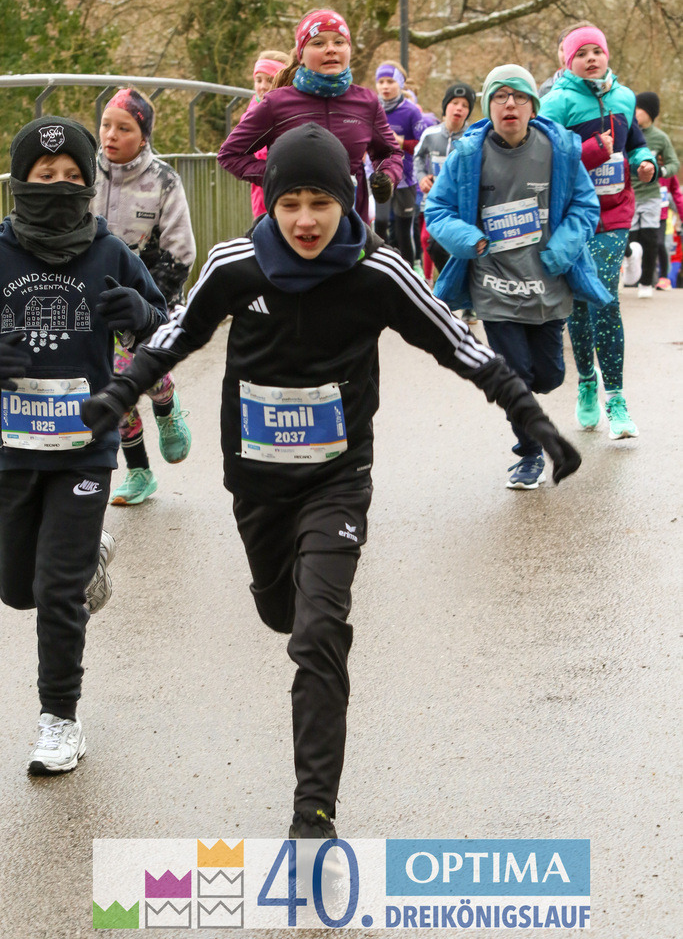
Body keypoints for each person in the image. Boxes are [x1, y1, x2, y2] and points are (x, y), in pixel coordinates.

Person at [82, 123, 581, 836]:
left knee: (318, 633)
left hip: (337, 479)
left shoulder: (374, 273)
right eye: (290, 204)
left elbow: (454, 341)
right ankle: (280, 598)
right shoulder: (235, 265)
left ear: (344, 204)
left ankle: (312, 811)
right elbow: (176, 333)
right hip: (256, 481)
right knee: (279, 614)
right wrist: (119, 392)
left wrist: (527, 415)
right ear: (270, 205)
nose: (306, 220)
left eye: (320, 203)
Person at [0, 116, 167, 773]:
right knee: (17, 588)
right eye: (46, 179)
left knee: (56, 589)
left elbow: (163, 326)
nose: (61, 187)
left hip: (85, 450)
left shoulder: (109, 251)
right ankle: (89, 561)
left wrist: (142, 315)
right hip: (10, 449)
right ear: (20, 183)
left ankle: (59, 720)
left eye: (73, 177)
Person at [425, 65, 607, 489]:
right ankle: (528, 455)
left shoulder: (559, 148)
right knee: (516, 376)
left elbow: (585, 206)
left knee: (549, 376)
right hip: (494, 284)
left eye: (520, 96)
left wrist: (561, 249)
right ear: (488, 105)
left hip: (548, 279)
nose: (510, 104)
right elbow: (437, 210)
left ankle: (530, 416)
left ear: (533, 105)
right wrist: (472, 240)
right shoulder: (469, 154)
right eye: (501, 96)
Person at [540, 25, 656, 439]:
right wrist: (592, 151)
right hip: (574, 216)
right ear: (566, 62)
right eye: (581, 53)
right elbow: (546, 159)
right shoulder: (556, 103)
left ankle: (618, 400)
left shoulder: (624, 98)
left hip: (616, 213)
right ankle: (587, 381)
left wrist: (645, 163)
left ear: (607, 55)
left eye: (597, 51)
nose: (591, 58)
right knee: (579, 302)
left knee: (603, 296)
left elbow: (636, 141)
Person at [92, 88, 195, 505]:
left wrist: (148, 301)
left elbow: (181, 250)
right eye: (105, 124)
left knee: (138, 369)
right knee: (112, 379)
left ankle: (167, 406)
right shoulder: (84, 172)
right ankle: (138, 472)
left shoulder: (163, 180)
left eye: (124, 127)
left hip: (150, 296)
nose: (110, 135)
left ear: (144, 135)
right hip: (96, 299)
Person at [216, 9, 404, 223]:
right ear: (300, 54)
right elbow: (230, 155)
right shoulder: (276, 103)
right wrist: (278, 174)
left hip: (350, 227)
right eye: (318, 43)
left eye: (339, 42)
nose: (331, 49)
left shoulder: (366, 102)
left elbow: (389, 153)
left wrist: (387, 177)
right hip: (292, 227)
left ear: (349, 49)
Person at [414, 81, 476, 304]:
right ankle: (435, 285)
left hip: (461, 207)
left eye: (464, 105)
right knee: (428, 240)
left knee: (458, 247)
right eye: (454, 103)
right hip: (434, 202)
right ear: (445, 107)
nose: (459, 108)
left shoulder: (473, 138)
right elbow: (418, 158)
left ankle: (465, 296)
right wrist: (421, 177)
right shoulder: (430, 135)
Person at [373, 60, 430, 267]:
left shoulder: (411, 111)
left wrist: (402, 142)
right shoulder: (372, 107)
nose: (385, 86)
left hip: (405, 177)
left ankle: (409, 273)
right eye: (381, 82)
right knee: (379, 225)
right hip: (378, 175)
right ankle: (378, 270)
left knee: (403, 230)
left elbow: (424, 147)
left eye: (390, 81)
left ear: (400, 84)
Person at [629, 91, 680, 295]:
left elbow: (673, 163)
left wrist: (661, 171)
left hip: (651, 196)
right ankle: (628, 277)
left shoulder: (660, 138)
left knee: (651, 240)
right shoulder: (628, 133)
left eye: (638, 109)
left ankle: (646, 283)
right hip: (629, 196)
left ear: (649, 112)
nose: (634, 113)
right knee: (630, 240)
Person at [244, 50, 290, 219]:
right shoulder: (251, 112)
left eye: (269, 80)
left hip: (287, 186)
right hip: (261, 188)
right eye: (258, 80)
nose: (262, 86)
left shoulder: (291, 112)